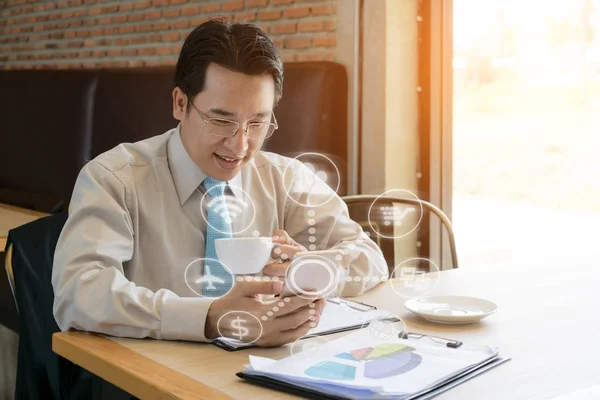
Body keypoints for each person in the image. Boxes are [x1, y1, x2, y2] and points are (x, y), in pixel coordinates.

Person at [51, 19, 388, 348]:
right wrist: (211, 317)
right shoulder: (115, 180)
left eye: (257, 123)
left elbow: (370, 258)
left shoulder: (287, 179)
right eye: (221, 120)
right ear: (180, 103)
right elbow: (78, 293)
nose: (240, 146)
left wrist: (314, 270)